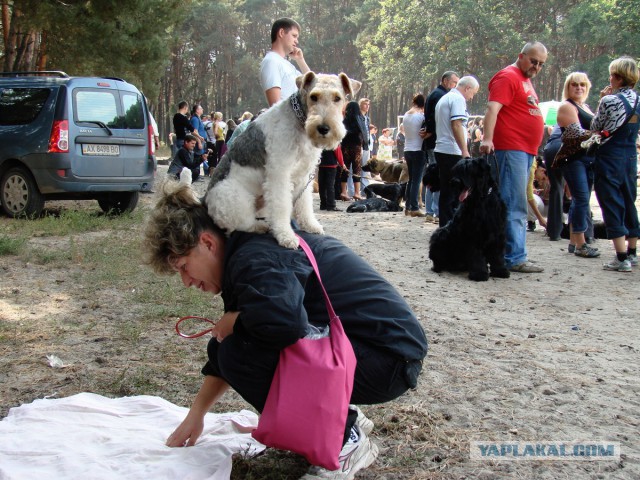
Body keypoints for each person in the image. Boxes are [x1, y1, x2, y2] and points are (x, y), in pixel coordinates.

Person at [143, 178, 428, 479]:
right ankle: (343, 417)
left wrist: (236, 321)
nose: (187, 282)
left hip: (389, 359)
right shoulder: (245, 247)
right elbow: (225, 348)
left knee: (242, 347)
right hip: (377, 348)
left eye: (183, 267)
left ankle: (345, 439)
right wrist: (195, 415)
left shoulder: (254, 257)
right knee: (231, 344)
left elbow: (284, 324)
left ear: (207, 243)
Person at [480, 42, 548, 273]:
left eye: (541, 64)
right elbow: (492, 109)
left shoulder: (524, 80)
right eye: (533, 61)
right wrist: (488, 138)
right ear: (521, 56)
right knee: (513, 203)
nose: (537, 66)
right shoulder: (508, 76)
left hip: (524, 150)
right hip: (510, 149)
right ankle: (513, 257)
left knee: (515, 201)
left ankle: (513, 254)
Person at [591, 56, 640, 272]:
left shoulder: (609, 100)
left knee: (611, 202)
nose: (609, 78)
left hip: (609, 156)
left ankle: (620, 258)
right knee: (629, 200)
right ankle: (632, 252)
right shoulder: (638, 100)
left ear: (619, 78)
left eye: (612, 75)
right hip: (630, 156)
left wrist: (602, 99)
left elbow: (596, 126)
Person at [555, 72, 599, 258]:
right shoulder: (566, 106)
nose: (579, 88)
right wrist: (600, 134)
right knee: (581, 199)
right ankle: (581, 243)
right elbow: (576, 134)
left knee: (581, 199)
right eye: (574, 84)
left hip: (587, 159)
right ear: (568, 86)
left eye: (582, 84)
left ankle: (574, 240)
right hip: (574, 160)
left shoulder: (585, 107)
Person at [434, 76, 480, 227]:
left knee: (447, 192)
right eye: (473, 93)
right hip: (452, 151)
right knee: (454, 194)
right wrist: (464, 150)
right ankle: (450, 228)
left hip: (442, 149)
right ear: (467, 88)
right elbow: (457, 125)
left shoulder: (444, 98)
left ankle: (446, 227)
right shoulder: (458, 100)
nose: (471, 97)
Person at [422, 71, 459, 224]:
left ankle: (431, 211)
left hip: (434, 141)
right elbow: (432, 116)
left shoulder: (436, 94)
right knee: (437, 178)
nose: (455, 86)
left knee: (434, 177)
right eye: (453, 83)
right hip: (437, 142)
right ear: (445, 81)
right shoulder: (441, 96)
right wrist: (430, 131)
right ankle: (434, 211)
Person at [260, 17, 311, 107]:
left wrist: (300, 60)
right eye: (294, 36)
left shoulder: (287, 64)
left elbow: (313, 84)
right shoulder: (271, 61)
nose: (297, 41)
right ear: (281, 33)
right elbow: (275, 106)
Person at [402, 94, 426, 217]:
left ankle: (407, 206)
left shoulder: (406, 115)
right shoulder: (421, 116)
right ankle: (414, 207)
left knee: (411, 179)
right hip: (418, 149)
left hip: (407, 149)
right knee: (417, 180)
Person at [340, 101, 368, 201]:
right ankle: (357, 193)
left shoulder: (343, 121)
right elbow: (364, 134)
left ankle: (344, 192)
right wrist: (365, 145)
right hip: (356, 147)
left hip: (345, 147)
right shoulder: (360, 119)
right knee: (357, 170)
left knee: (345, 169)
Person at [318, 147, 347, 211]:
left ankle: (323, 204)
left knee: (322, 185)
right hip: (331, 164)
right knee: (330, 185)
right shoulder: (333, 139)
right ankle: (331, 205)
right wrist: (342, 164)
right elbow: (338, 151)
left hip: (321, 164)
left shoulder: (320, 138)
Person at [526, 159, 549, 232]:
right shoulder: (532, 173)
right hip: (539, 205)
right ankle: (531, 221)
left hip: (549, 206)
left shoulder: (548, 179)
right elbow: (529, 194)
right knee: (531, 197)